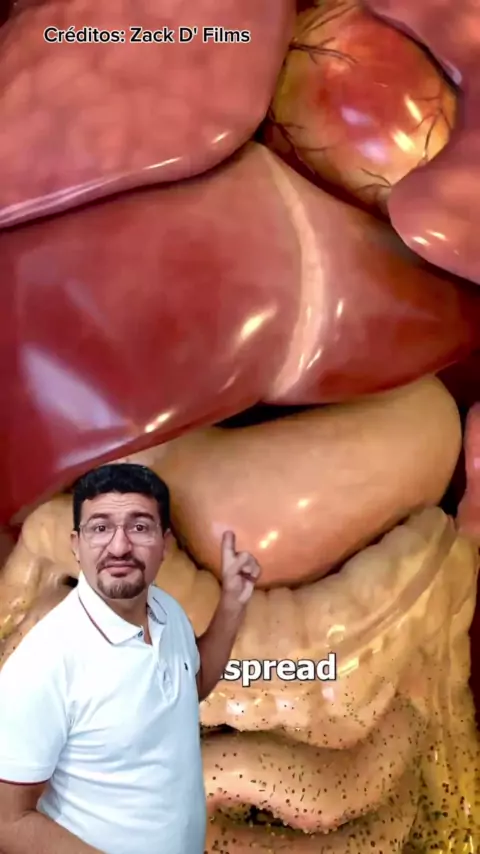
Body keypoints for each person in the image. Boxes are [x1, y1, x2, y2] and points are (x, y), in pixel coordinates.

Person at [0, 463, 261, 854]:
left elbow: (191, 685)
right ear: (76, 545)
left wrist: (232, 605)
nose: (119, 547)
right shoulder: (44, 662)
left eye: (139, 527)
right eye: (100, 528)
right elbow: (7, 821)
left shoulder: (167, 612)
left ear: (165, 544)